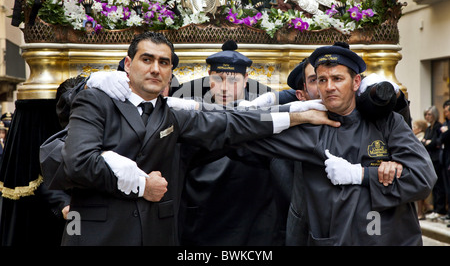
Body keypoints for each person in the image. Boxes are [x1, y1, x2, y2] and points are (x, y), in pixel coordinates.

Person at [57, 31, 338, 246]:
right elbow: (79, 162)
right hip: (99, 236)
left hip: (156, 235)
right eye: (147, 59)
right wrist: (142, 183)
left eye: (163, 62)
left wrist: (296, 114)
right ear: (128, 65)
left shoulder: (172, 114)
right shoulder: (96, 98)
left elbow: (232, 122)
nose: (155, 68)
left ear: (169, 74)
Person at [241, 42, 437, 245]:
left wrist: (362, 174)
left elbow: (422, 178)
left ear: (356, 82)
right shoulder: (311, 128)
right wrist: (288, 111)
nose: (329, 87)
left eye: (337, 78)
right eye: (322, 80)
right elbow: (248, 129)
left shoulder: (387, 123)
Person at [179, 41, 289, 245]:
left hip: (254, 219)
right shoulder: (192, 114)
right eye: (217, 79)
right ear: (208, 77)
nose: (224, 88)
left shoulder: (263, 114)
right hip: (204, 219)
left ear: (246, 79)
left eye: (233, 80)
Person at [422, 105, 447, 220]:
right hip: (430, 159)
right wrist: (427, 142)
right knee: (434, 185)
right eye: (426, 114)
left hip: (437, 159)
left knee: (439, 185)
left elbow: (436, 143)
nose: (427, 117)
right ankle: (436, 208)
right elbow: (424, 143)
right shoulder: (428, 128)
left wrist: (428, 142)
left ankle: (440, 209)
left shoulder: (438, 126)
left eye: (429, 114)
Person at [413, 119, 433, 219]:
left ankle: (420, 212)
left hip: (421, 167)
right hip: (418, 166)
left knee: (419, 190)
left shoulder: (420, 137)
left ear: (420, 129)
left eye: (415, 127)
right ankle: (425, 208)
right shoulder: (417, 136)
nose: (413, 129)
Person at [439, 101, 450, 223]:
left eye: (447, 110)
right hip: (445, 160)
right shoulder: (445, 123)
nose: (446, 113)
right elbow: (439, 139)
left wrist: (445, 132)